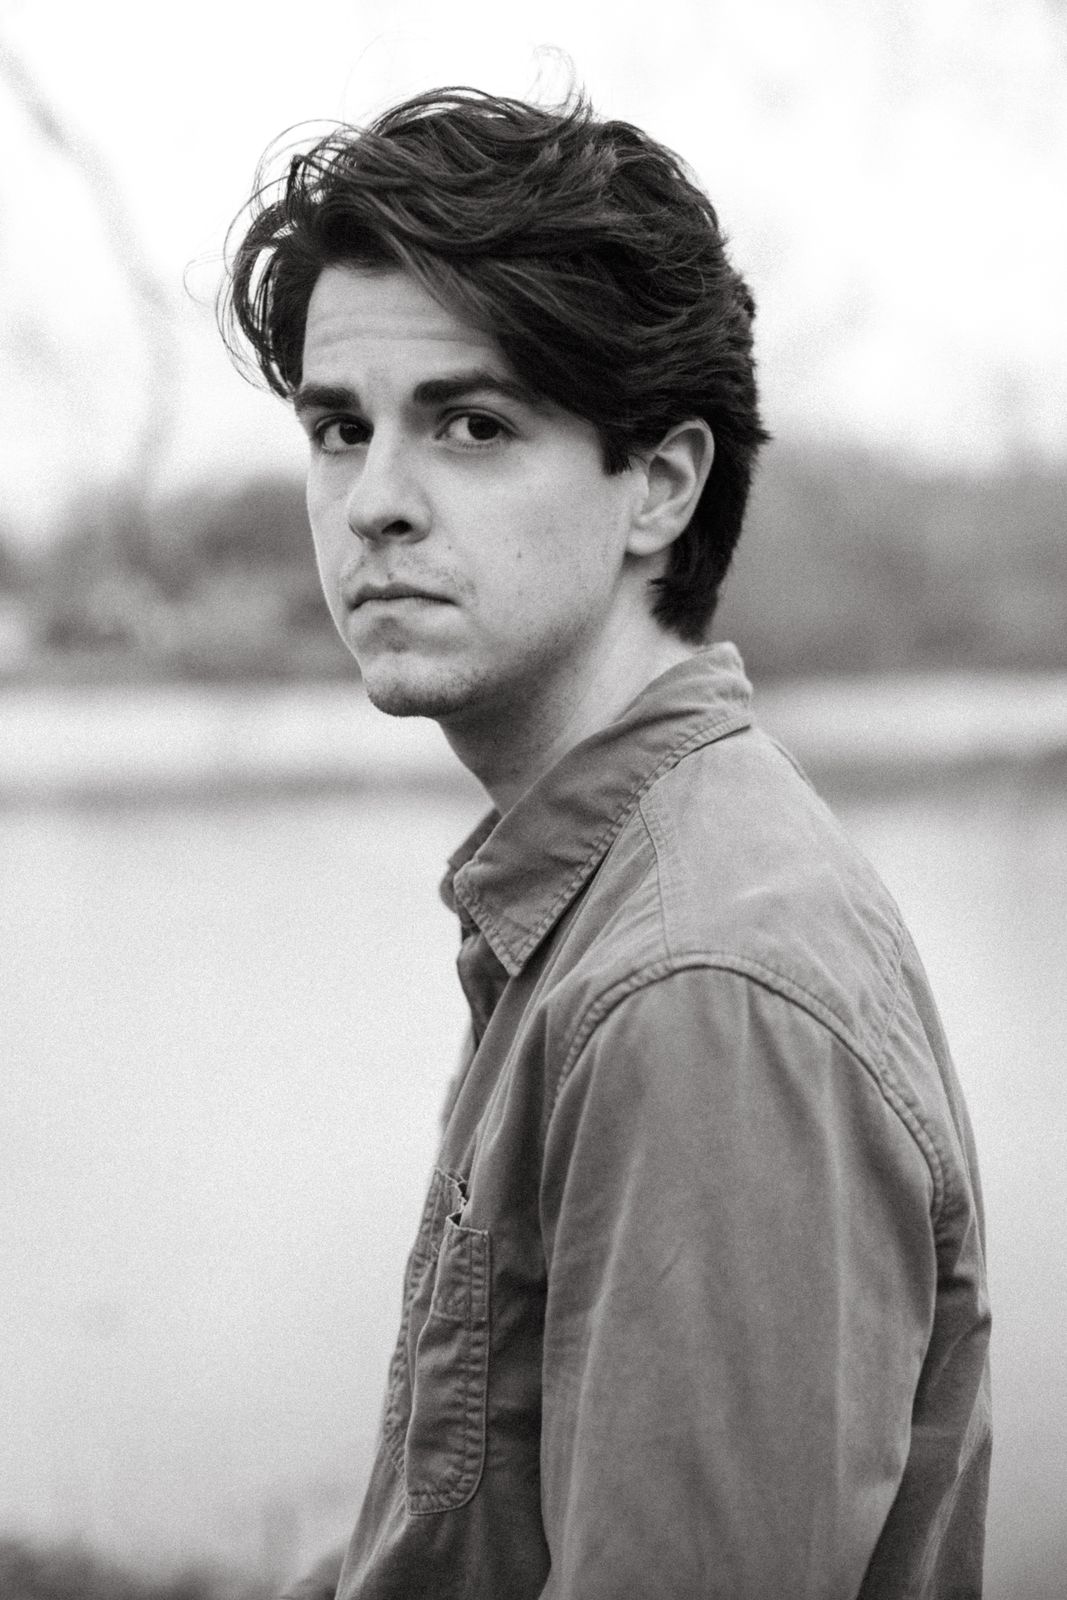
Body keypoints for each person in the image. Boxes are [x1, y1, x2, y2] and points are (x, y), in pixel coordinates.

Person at [220, 87, 991, 1599]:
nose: (374, 504)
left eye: (473, 425)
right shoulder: (602, 894)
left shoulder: (701, 989)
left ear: (661, 484)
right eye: (339, 429)